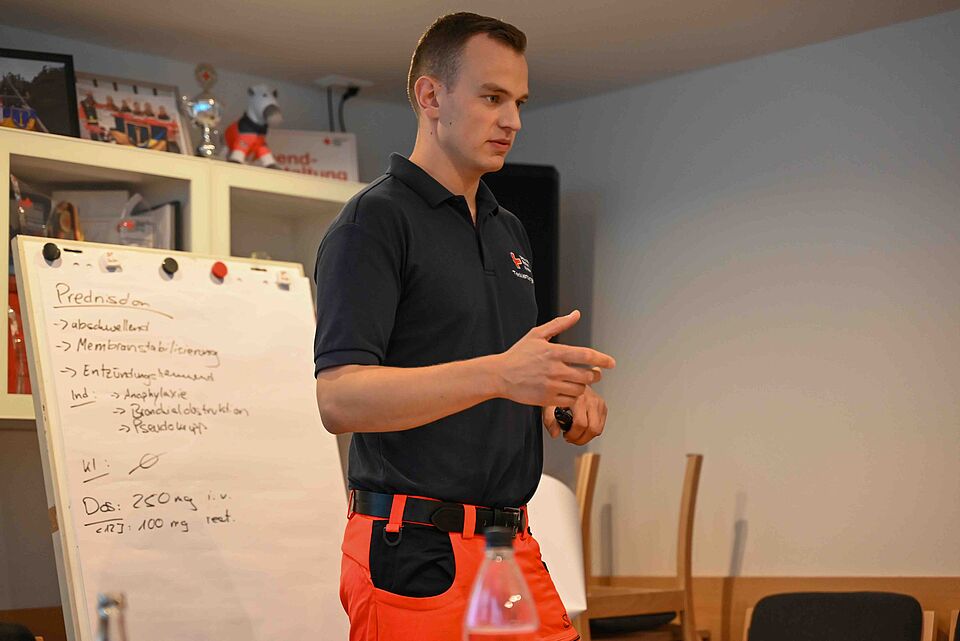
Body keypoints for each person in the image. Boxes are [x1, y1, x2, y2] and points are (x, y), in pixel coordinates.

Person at [313, 12, 615, 641]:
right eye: (492, 97)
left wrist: (556, 398)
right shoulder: (373, 222)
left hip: (509, 544)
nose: (513, 121)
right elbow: (339, 399)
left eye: (519, 102)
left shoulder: (509, 230)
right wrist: (502, 374)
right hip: (413, 549)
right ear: (431, 96)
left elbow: (493, 378)